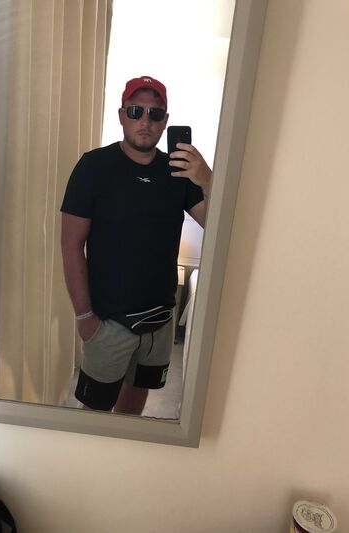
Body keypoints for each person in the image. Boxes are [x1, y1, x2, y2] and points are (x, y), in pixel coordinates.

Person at [60, 75, 212, 414]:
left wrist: (208, 179)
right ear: (121, 115)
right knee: (94, 416)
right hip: (108, 322)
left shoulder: (179, 172)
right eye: (135, 111)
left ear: (165, 121)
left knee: (133, 412)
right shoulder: (94, 167)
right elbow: (71, 245)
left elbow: (218, 226)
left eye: (155, 114)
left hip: (160, 321)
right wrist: (85, 318)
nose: (145, 121)